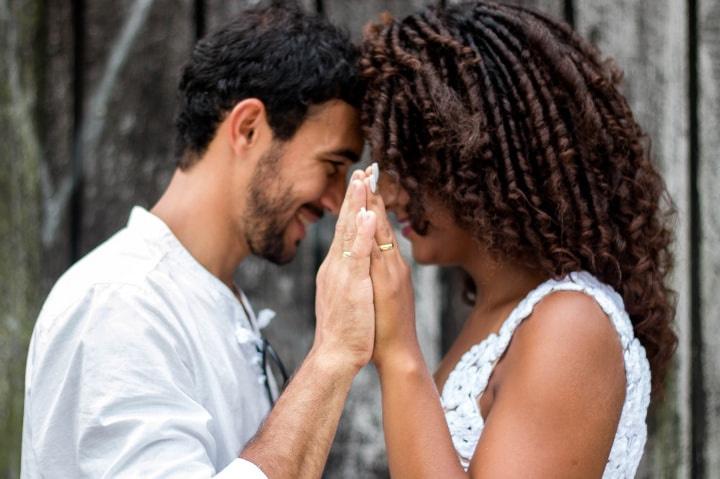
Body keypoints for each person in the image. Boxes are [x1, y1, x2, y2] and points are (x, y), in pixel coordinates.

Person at [21, 6, 379, 478]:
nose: (336, 200)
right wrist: (333, 353)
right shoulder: (121, 303)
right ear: (248, 127)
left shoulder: (210, 299)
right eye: (332, 165)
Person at [359, 1, 677, 477]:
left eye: (408, 167)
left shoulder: (571, 325)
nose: (386, 194)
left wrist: (398, 351)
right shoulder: (500, 314)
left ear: (475, 161)